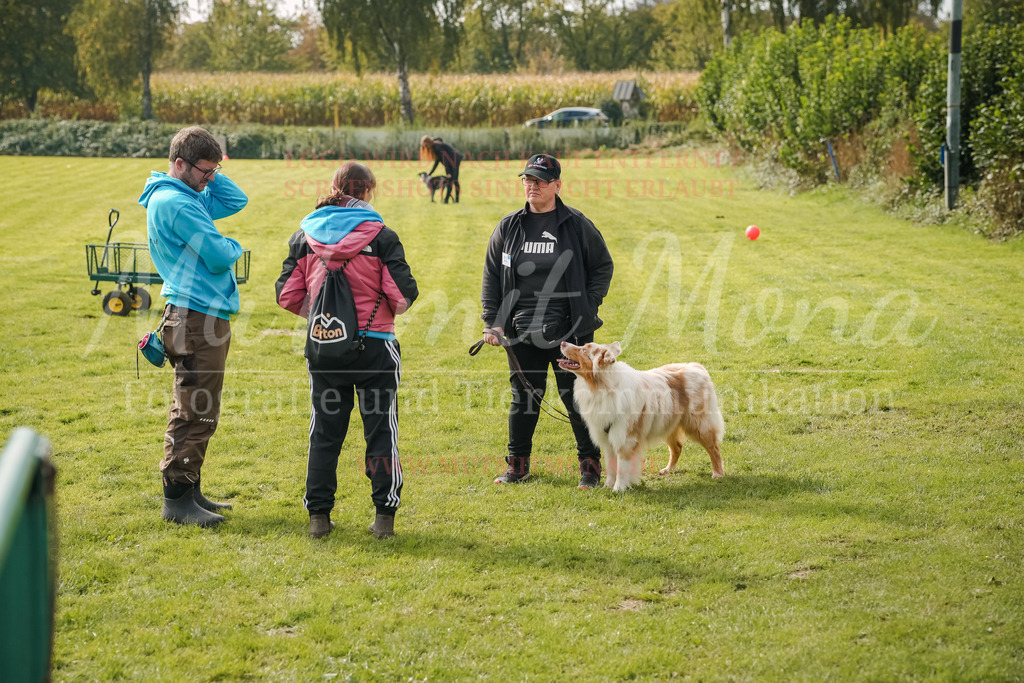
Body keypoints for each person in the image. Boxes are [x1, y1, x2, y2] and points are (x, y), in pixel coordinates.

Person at [276, 162, 418, 539]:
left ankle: (319, 518)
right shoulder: (382, 236)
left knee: (323, 433)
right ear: (367, 192)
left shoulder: (305, 236)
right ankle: (383, 519)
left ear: (335, 188)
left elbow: (287, 294)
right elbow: (402, 297)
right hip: (375, 350)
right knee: (381, 434)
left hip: (324, 348)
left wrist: (324, 316)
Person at [481, 153, 614, 488]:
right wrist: (493, 321)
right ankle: (517, 467)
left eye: (540, 180)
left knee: (577, 398)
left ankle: (590, 469)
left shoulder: (575, 224)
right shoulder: (509, 227)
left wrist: (588, 303)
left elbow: (602, 266)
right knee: (524, 399)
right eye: (528, 179)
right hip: (521, 330)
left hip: (569, 332)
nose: (532, 186)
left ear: (558, 185)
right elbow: (492, 277)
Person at [138, 126, 248, 528]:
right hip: (196, 316)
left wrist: (211, 171)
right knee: (195, 409)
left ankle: (190, 488)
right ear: (179, 164)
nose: (209, 180)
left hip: (197, 313)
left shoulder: (185, 194)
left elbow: (237, 199)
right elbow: (219, 256)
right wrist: (234, 246)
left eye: (213, 171)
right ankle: (177, 501)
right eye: (204, 171)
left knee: (197, 404)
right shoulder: (179, 204)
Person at [420, 135, 463, 203]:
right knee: (453, 180)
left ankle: (447, 200)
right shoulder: (435, 144)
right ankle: (455, 201)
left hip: (454, 160)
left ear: (428, 143)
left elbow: (445, 159)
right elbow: (437, 162)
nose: (425, 148)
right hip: (453, 159)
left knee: (451, 180)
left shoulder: (437, 147)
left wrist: (448, 172)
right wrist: (430, 173)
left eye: (425, 146)